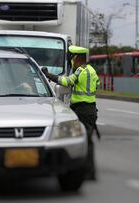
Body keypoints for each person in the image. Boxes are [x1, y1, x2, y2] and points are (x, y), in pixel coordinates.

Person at [41, 45, 100, 180]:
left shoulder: (80, 70)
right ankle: (90, 171)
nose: (72, 61)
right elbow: (97, 84)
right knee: (88, 140)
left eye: (73, 58)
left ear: (77, 58)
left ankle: (84, 171)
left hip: (81, 109)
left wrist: (49, 75)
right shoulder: (92, 70)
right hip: (91, 109)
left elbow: (67, 81)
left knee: (79, 139)